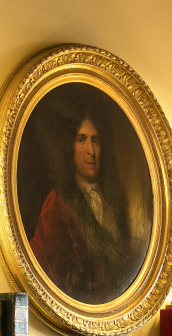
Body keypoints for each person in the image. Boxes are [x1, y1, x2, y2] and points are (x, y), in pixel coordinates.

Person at [28, 99, 139, 305]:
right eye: (81, 140)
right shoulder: (58, 202)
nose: (91, 151)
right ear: (69, 147)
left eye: (95, 141)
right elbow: (42, 263)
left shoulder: (115, 202)